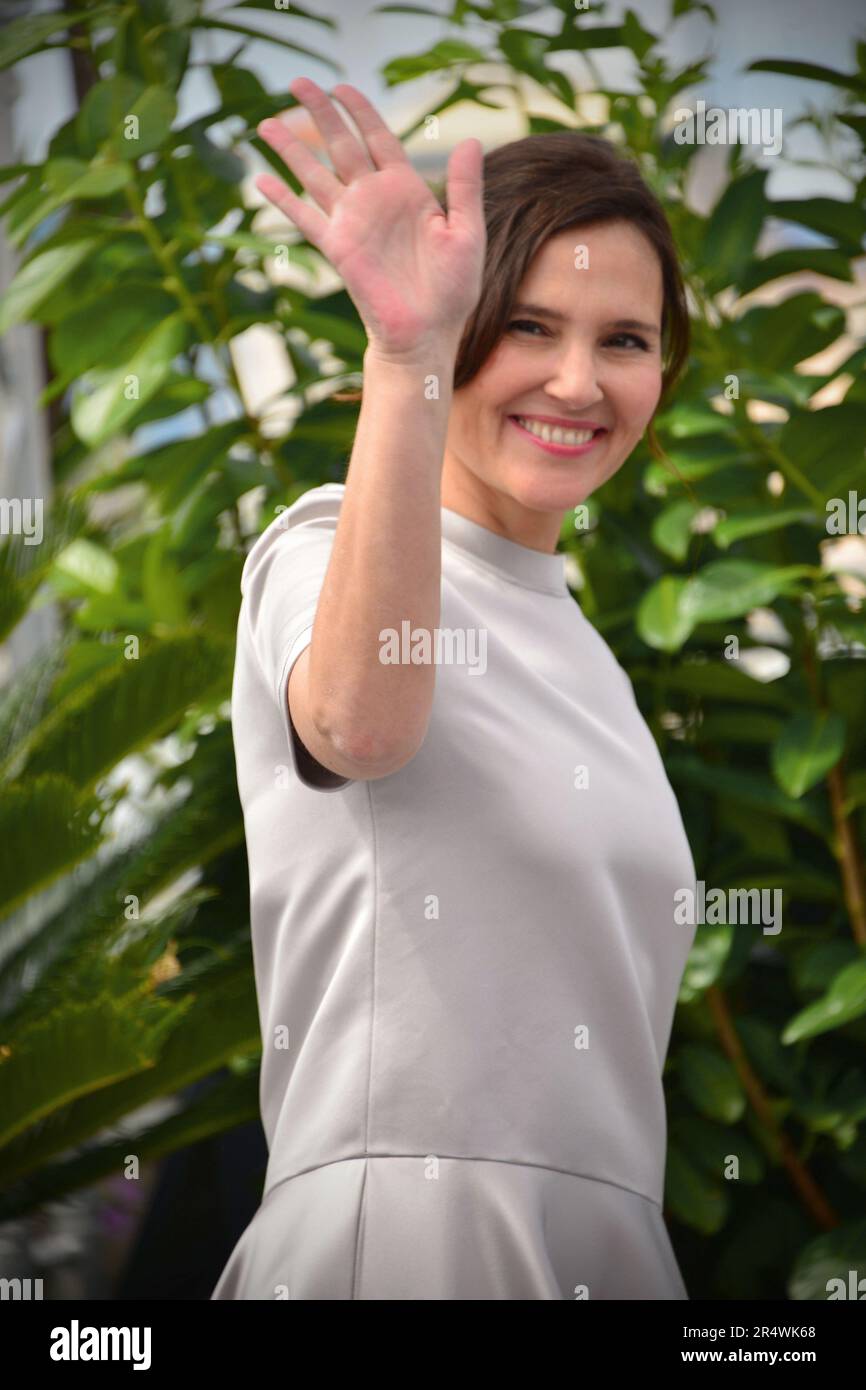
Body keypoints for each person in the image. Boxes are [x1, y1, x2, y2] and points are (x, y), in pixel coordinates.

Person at [211, 75, 698, 1300]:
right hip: (412, 1241)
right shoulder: (322, 547)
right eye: (527, 325)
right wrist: (405, 354)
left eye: (622, 341)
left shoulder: (582, 644)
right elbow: (360, 725)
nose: (577, 384)